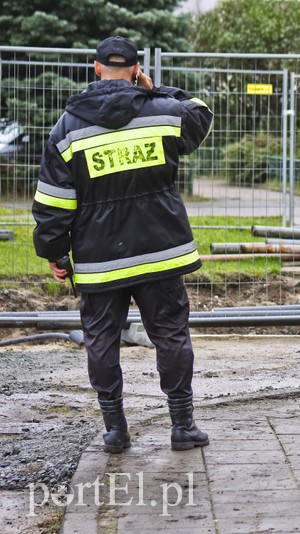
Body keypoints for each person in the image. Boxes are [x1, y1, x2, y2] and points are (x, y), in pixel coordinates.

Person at [32, 36, 213, 453]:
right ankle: (182, 426)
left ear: (96, 68)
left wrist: (55, 252)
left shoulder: (67, 128)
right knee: (170, 335)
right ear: (135, 69)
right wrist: (157, 91)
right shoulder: (163, 112)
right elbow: (201, 113)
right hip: (160, 250)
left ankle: (115, 430)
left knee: (100, 340)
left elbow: (54, 201)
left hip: (100, 259)